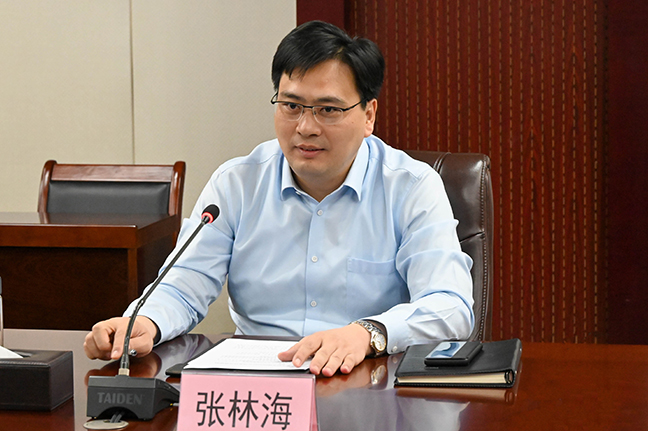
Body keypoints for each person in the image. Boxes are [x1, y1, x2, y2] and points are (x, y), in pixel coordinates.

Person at [84, 21, 474, 377]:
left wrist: (368, 333)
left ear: (368, 115)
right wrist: (144, 322)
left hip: (367, 382)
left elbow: (450, 306)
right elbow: (183, 287)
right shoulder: (237, 184)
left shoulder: (411, 187)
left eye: (328, 110)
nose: (305, 127)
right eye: (291, 106)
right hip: (258, 387)